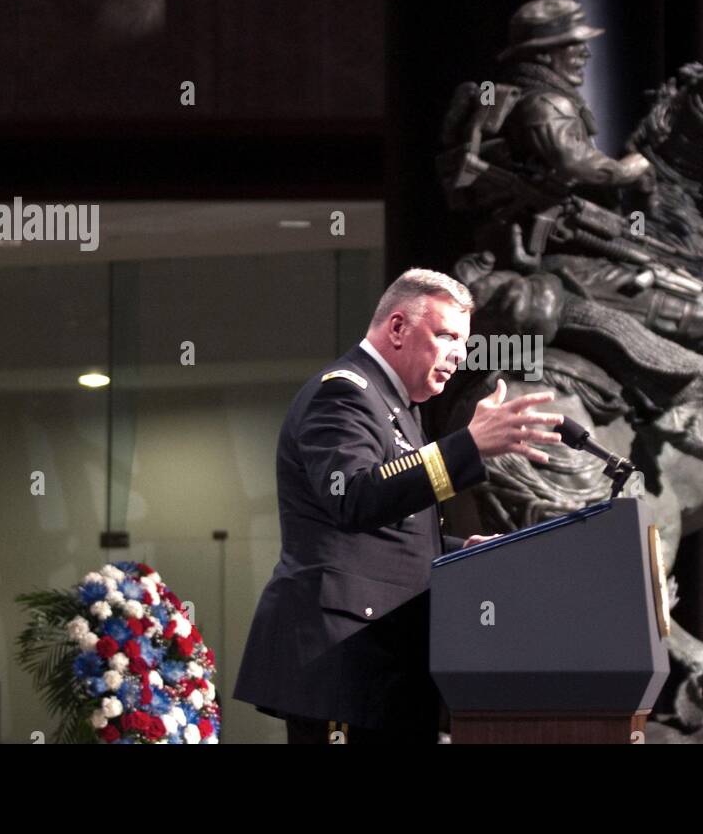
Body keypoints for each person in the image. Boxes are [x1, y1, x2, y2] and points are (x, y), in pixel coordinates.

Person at [447, 0, 703, 486]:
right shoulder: (544, 104)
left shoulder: (528, 101)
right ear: (546, 54)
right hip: (567, 261)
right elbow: (578, 166)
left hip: (566, 244)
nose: (583, 56)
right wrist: (628, 168)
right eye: (574, 46)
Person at [232, 269, 564, 744]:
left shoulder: (400, 407)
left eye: (463, 342)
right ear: (397, 328)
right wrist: (467, 446)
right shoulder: (343, 393)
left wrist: (455, 549)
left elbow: (389, 532)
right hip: (342, 664)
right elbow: (356, 497)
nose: (457, 354)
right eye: (446, 335)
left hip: (383, 667)